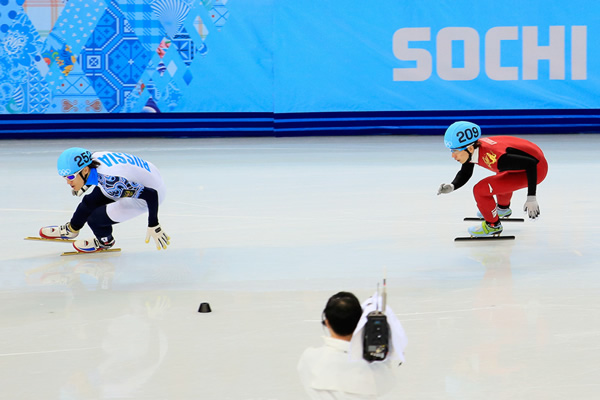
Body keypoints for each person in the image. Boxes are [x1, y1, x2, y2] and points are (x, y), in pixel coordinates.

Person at [40, 147, 170, 253]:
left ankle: (105, 241)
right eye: (65, 178)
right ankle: (71, 230)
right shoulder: (93, 158)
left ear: (85, 170)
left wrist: (154, 224)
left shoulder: (112, 182)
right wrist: (85, 184)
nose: (68, 182)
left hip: (152, 193)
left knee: (95, 219)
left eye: (71, 177)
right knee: (88, 202)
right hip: (144, 174)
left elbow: (151, 195)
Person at [437, 121, 548, 237]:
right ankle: (502, 209)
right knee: (499, 177)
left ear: (470, 149)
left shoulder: (498, 158)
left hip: (536, 169)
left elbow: (531, 164)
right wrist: (452, 186)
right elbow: (466, 172)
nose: (452, 156)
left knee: (480, 190)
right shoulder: (474, 148)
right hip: (523, 162)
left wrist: (531, 197)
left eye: (455, 151)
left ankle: (493, 225)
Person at [297, 292, 399, 399]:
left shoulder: (310, 358)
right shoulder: (376, 367)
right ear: (360, 322)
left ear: (327, 323)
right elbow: (388, 384)